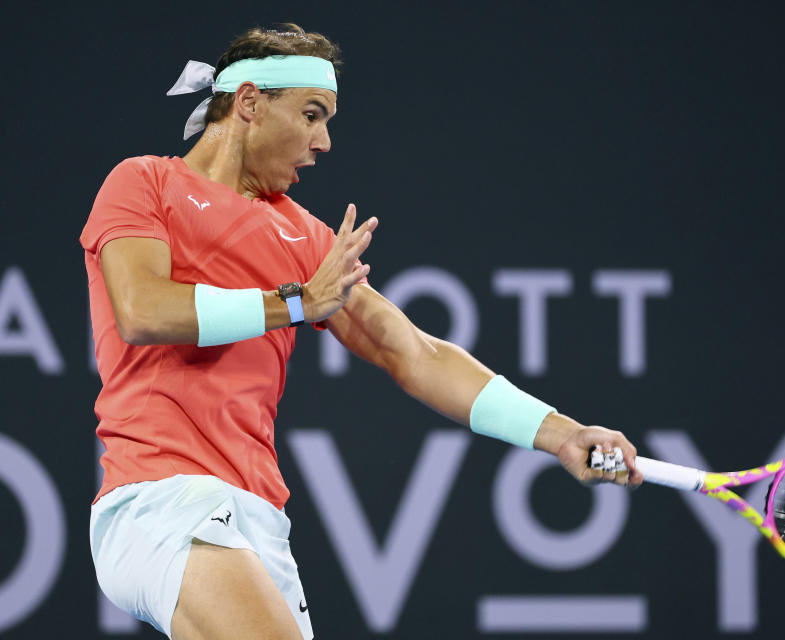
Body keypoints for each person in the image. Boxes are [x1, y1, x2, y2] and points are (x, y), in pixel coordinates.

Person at [81, 24, 643, 640]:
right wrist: (296, 302)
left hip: (257, 517)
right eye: (312, 114)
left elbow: (415, 353)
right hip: (162, 499)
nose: (324, 142)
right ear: (248, 103)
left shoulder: (306, 239)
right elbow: (142, 310)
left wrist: (562, 434)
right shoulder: (144, 182)